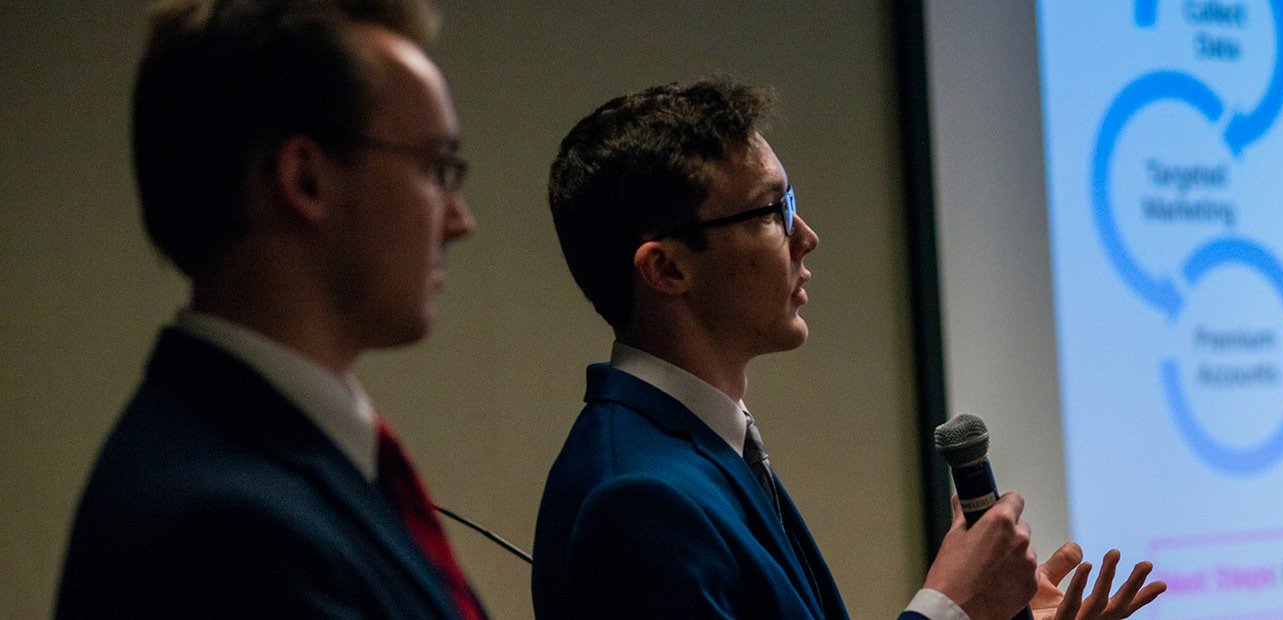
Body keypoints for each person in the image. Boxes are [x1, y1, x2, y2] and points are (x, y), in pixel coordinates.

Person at [533, 78, 1167, 620]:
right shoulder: (636, 500)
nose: (805, 236)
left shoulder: (701, 451)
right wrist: (948, 606)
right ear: (666, 269)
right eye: (769, 211)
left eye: (793, 204)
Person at [55, 1, 485, 618]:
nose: (461, 221)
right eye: (435, 168)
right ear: (305, 179)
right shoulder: (223, 530)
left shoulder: (277, 455)